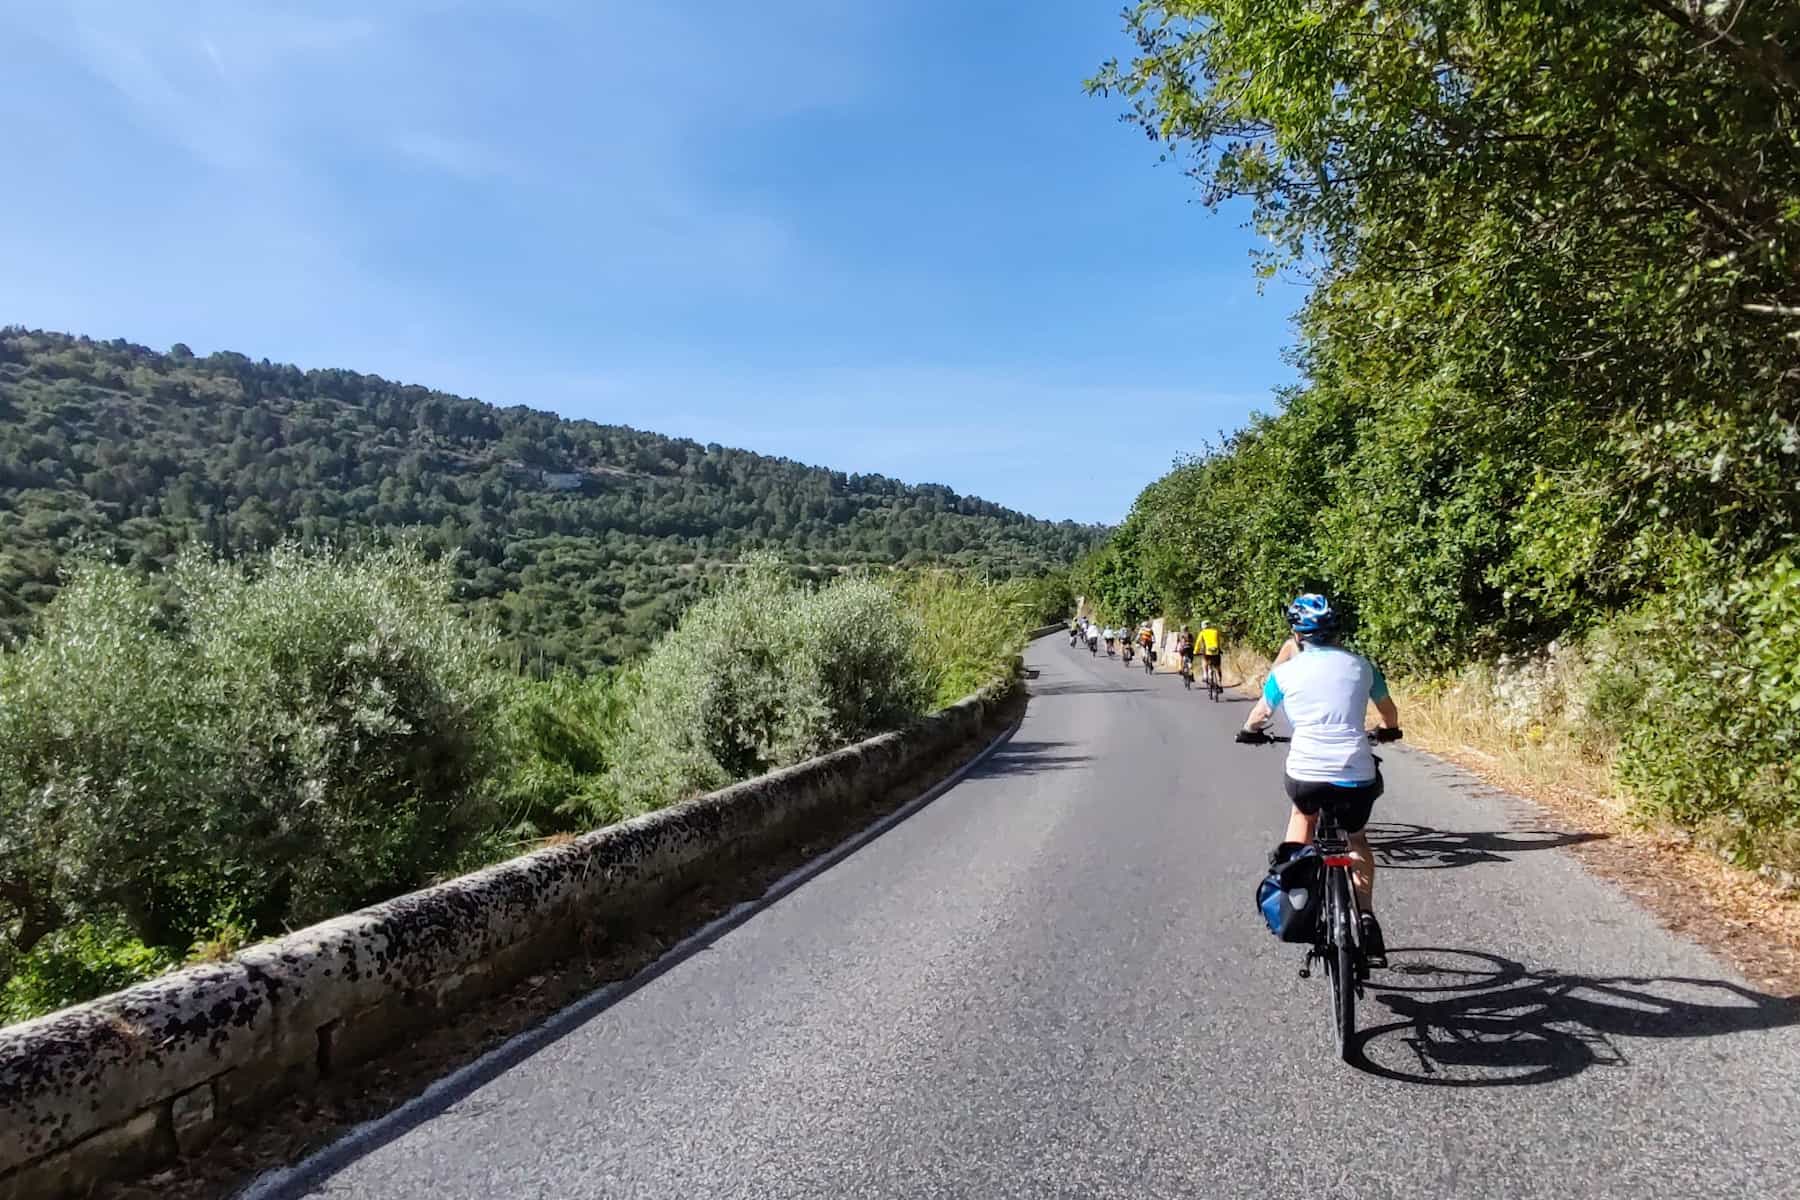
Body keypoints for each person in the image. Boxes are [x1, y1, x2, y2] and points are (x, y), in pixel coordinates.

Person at [1236, 594, 1401, 963]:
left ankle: (1296, 894)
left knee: (1302, 816)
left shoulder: (1285, 673)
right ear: (1337, 630)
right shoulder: (1363, 667)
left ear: (1297, 634)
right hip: (1356, 774)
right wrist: (1389, 730)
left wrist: (1249, 731)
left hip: (1307, 774)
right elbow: (1389, 712)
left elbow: (1260, 714)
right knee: (1356, 838)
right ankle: (1367, 916)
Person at [1197, 621, 1223, 689]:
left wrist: (1195, 651)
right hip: (1216, 651)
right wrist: (1219, 649)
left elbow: (1198, 642)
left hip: (1208, 651)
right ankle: (1220, 683)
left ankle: (1205, 675)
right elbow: (1218, 641)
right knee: (1218, 667)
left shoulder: (1202, 633)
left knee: (1204, 660)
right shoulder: (1215, 631)